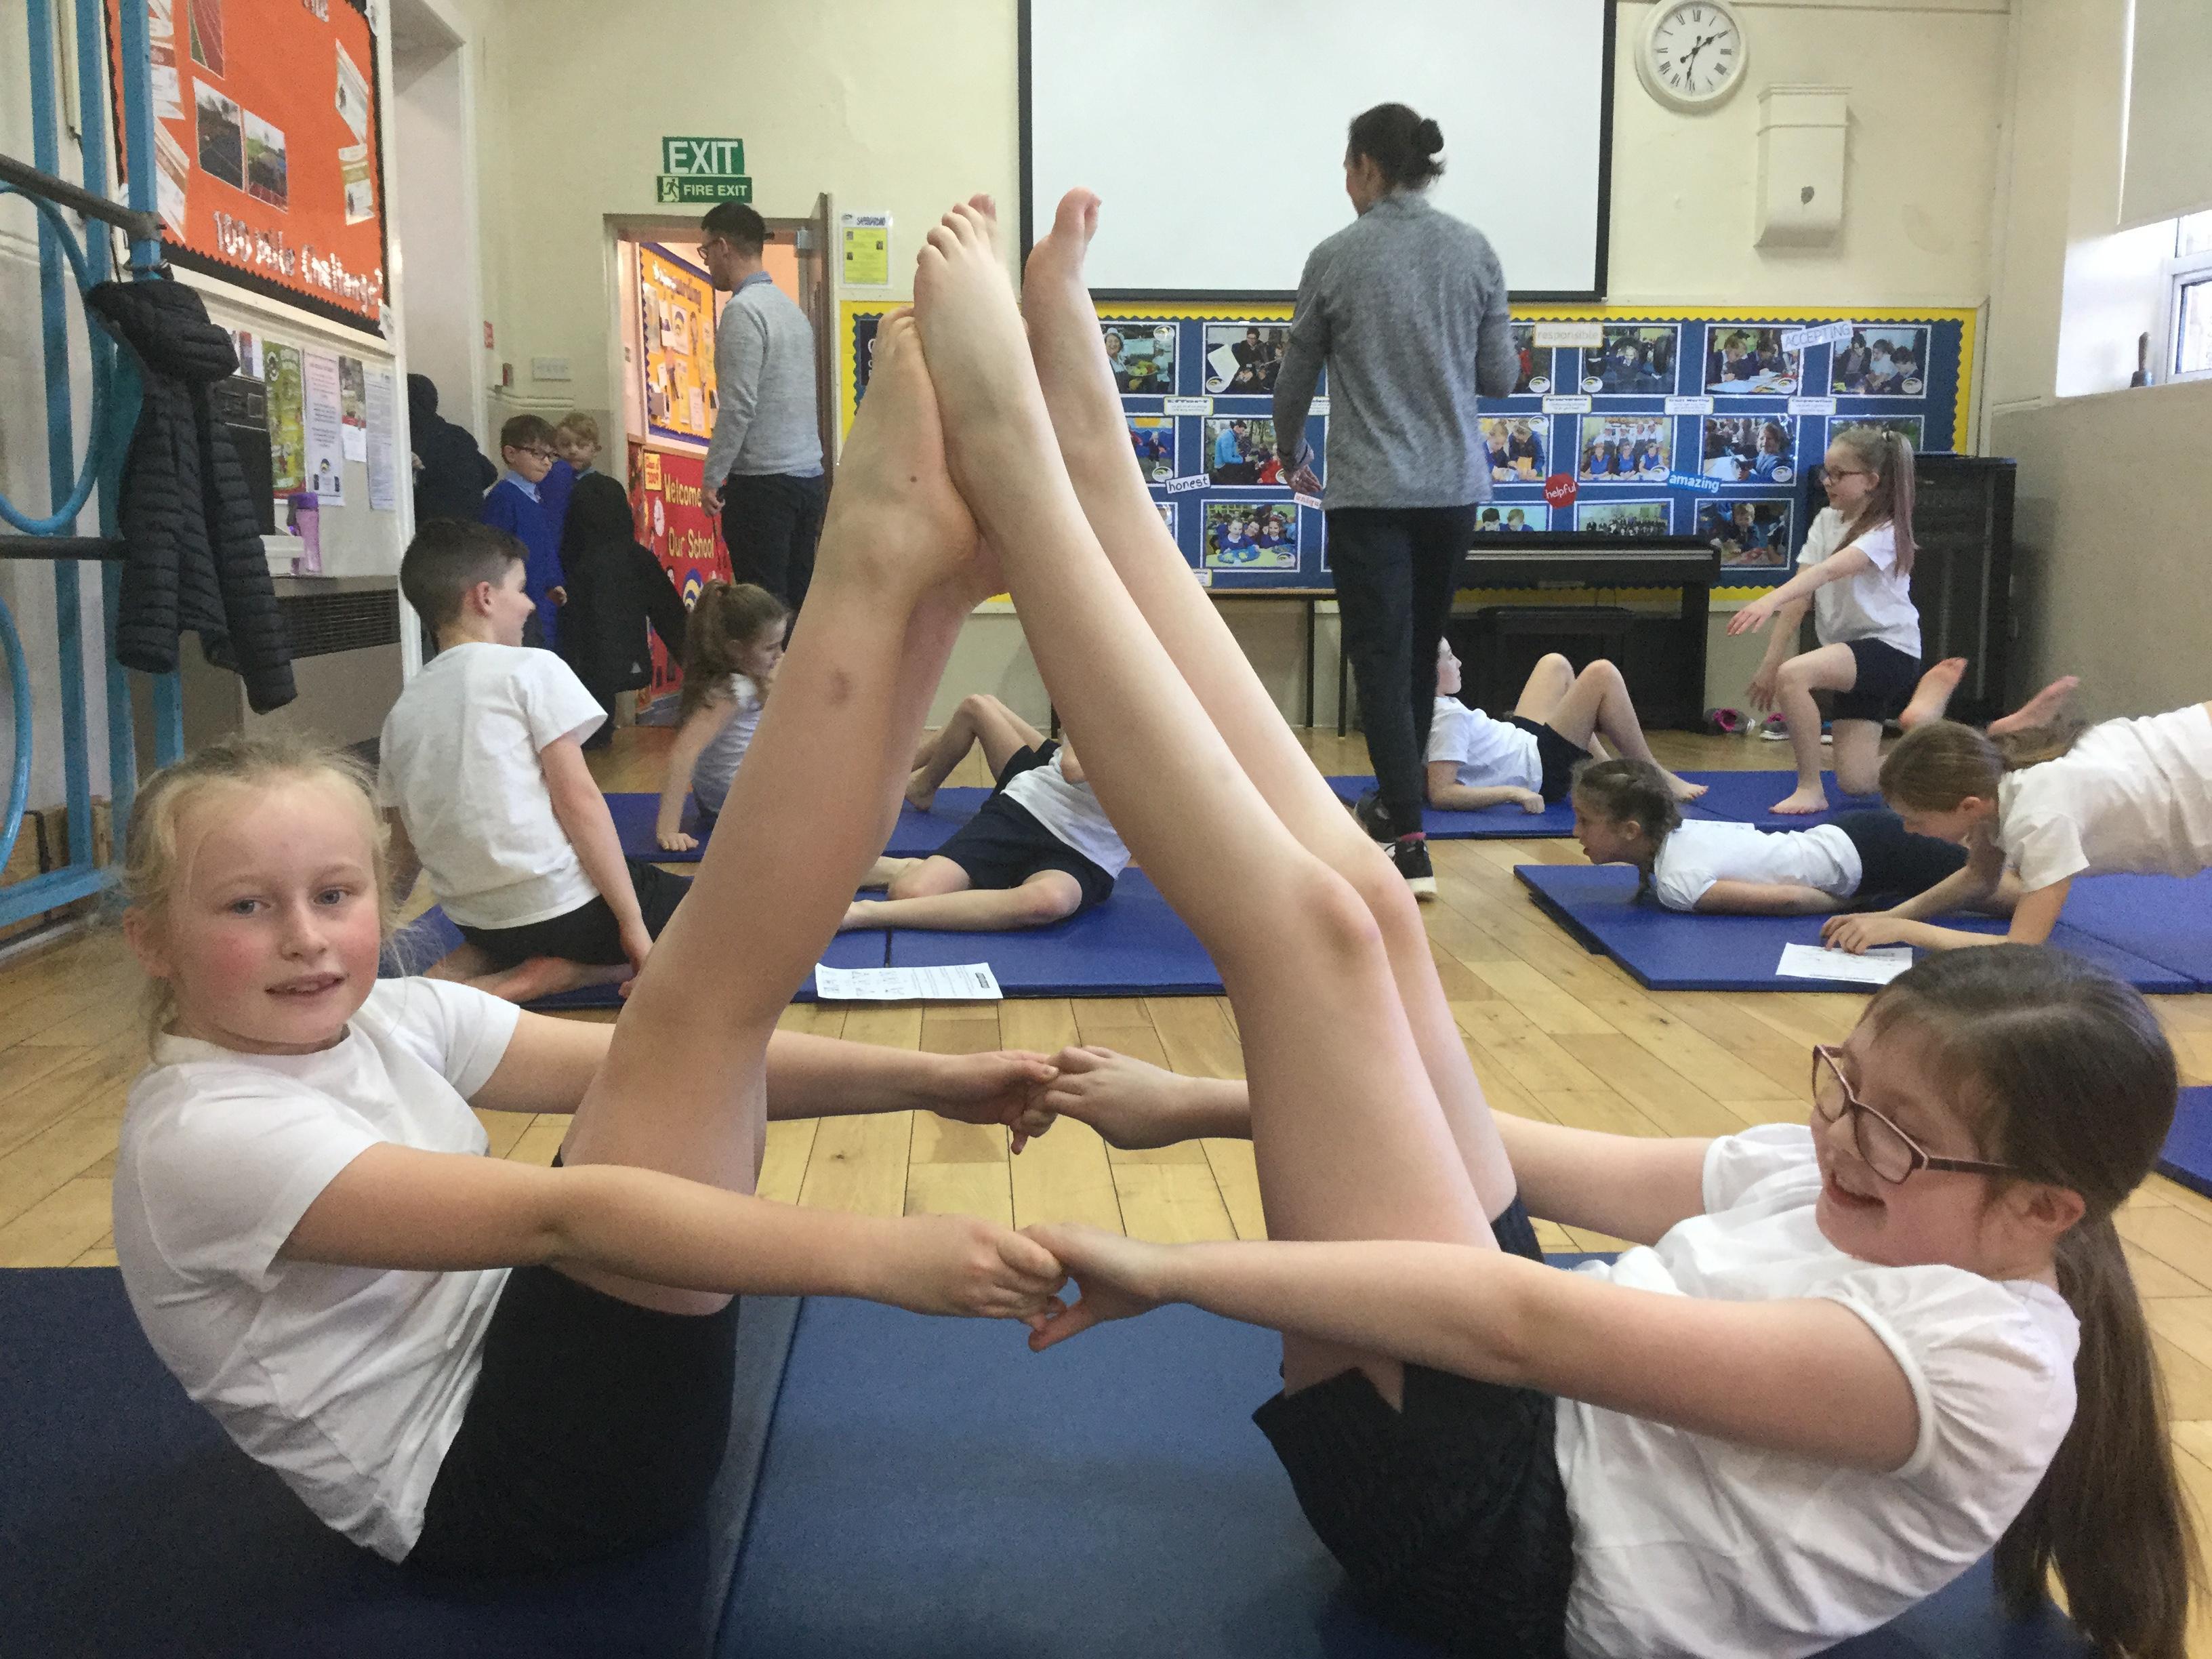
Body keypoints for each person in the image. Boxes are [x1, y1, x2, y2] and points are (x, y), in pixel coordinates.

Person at [912, 189, 2192, 1659]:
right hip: (1532, 1406)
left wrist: (1171, 1268)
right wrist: (1200, 1104)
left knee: (1305, 936)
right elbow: (1522, 1157)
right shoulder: (1850, 1173)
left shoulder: (1985, 1365)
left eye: (1892, 1133)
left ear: (2040, 1211)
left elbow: (1522, 1325)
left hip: (1507, 1541)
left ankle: (1022, 471)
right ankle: (1094, 466)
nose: (1841, 1137)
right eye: (1844, 1088)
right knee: (1372, 910)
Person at [106, 314, 1070, 1578]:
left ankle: (928, 587)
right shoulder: (201, 1136)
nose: (306, 939)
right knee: (691, 1002)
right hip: (515, 1486)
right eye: (246, 908)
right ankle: (887, 566)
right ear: (153, 941)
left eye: (335, 896)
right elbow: (569, 1218)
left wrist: (936, 1081)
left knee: (684, 1027)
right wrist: (880, 1253)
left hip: (555, 1367)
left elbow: (669, 1078)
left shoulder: (387, 1017)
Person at [1273, 102, 1516, 898]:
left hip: (1371, 492)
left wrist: (1289, 451)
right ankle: (1393, 805)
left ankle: (1408, 840)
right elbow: (1499, 377)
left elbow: (1295, 376)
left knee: (1380, 654)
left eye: (1347, 168)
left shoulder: (1336, 256)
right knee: (1416, 650)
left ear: (1368, 167)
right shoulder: (1475, 250)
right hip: (1452, 491)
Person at [381, 521, 691, 1004]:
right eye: (522, 589)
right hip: (565, 913)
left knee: (526, 924)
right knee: (718, 917)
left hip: (478, 922)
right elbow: (579, 802)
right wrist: (632, 927)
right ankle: (565, 974)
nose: (530, 605)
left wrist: (373, 931)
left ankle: (477, 965)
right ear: (485, 597)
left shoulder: (403, 708)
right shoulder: (531, 668)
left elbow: (401, 849)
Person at [1822, 700, 2212, 955]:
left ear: (1967, 806)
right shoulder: (1994, 786)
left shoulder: (2040, 815)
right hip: (2188, 749)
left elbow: (2023, 948)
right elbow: (1979, 877)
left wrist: (1906, 932)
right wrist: (1892, 917)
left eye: (1916, 819)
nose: (1908, 830)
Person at [1726, 426, 1922, 814]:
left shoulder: (1886, 530)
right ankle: (1934, 754)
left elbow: (1829, 571)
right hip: (1849, 653)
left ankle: (1810, 787)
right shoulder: (1826, 521)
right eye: (1826, 473)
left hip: (1890, 650)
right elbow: (1802, 595)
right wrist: (1770, 661)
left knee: (1795, 675)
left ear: (1871, 481)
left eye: (1838, 474)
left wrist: (1767, 600)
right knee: (1858, 781)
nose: (1827, 482)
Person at [1569, 756, 2021, 920]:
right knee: (1969, 863)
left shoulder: (1674, 882)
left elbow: (1787, 900)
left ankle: (2025, 844)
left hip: (1873, 857)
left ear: (1631, 830)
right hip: (1852, 838)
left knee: (2012, 897)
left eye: (1585, 821)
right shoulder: (1682, 831)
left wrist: (1858, 904)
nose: (1576, 833)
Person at [851, 693, 1126, 934]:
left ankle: (864, 912)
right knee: (912, 892)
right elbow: (1073, 767)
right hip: (1033, 808)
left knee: (1050, 901)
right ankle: (935, 860)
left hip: (1092, 851)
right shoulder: (1113, 694)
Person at [697, 202, 825, 614]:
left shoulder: (743, 311)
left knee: (762, 610)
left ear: (722, 246)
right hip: (808, 478)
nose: (707, 261)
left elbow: (738, 406)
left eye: (705, 250)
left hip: (763, 485)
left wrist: (713, 477)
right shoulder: (791, 311)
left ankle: (773, 664)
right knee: (797, 604)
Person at [1427, 639, 1703, 814]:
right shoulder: (1447, 717)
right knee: (1602, 673)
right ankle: (1654, 774)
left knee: (1554, 664)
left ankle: (1606, 772)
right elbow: (1442, 793)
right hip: (1541, 769)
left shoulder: (1433, 705)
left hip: (1522, 743)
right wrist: (1513, 793)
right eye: (1450, 658)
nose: (1459, 662)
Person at [556, 431, 688, 751]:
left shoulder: (571, 561)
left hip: (580, 666)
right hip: (627, 657)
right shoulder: (635, 556)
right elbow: (671, 616)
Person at [653, 582, 789, 853]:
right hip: (737, 801)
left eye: (780, 645)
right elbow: (683, 753)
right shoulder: (732, 690)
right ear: (736, 650)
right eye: (770, 647)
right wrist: (668, 828)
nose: (780, 655)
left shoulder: (747, 679)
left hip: (729, 799)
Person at [478, 414, 565, 650]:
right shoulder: (504, 498)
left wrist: (554, 581)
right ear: (511, 454)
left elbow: (546, 546)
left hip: (541, 602)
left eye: (551, 456)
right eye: (538, 454)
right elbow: (495, 554)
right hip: (518, 603)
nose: (547, 463)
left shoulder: (536, 497)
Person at [407, 374, 496, 526]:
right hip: (471, 526)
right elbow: (490, 473)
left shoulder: (409, 438)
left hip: (434, 529)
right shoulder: (457, 434)